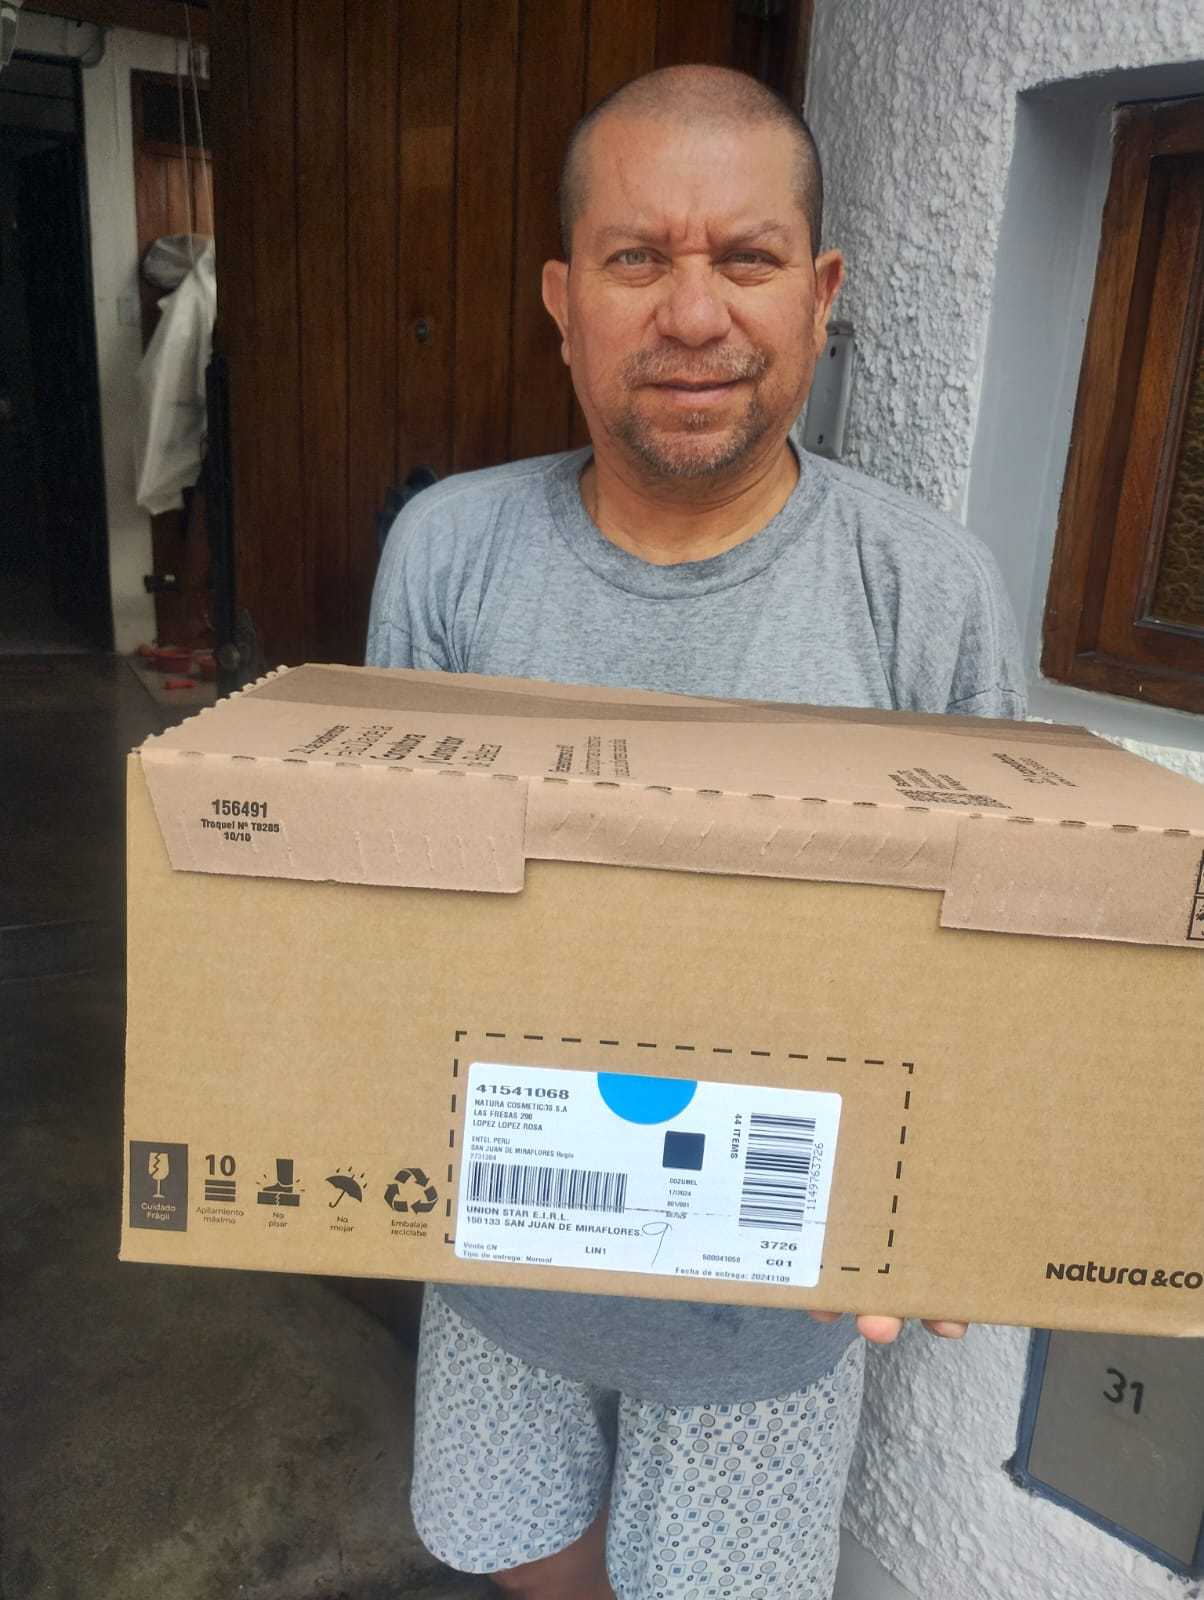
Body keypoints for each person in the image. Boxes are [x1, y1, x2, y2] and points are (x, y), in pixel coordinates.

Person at [368, 64, 1025, 1600]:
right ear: (563, 300)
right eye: (635, 258)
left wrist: (970, 1197)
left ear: (820, 294)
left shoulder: (923, 591)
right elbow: (382, 906)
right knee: (519, 1550)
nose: (691, 314)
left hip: (776, 1296)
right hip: (502, 1252)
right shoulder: (450, 554)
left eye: (746, 257)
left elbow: (1006, 945)